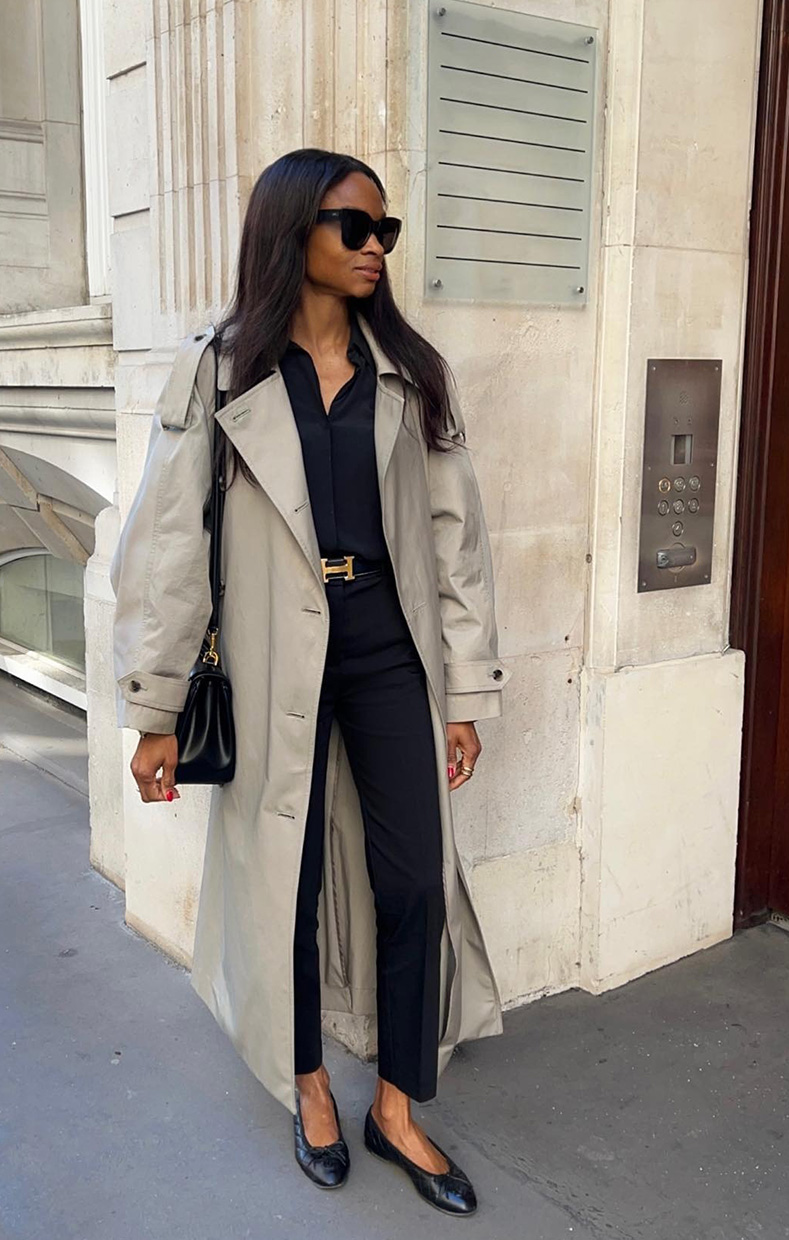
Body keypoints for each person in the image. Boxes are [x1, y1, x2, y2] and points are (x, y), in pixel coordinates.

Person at [109, 148, 511, 1216]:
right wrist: (154, 710)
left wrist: (466, 687)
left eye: (386, 230)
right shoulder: (225, 368)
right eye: (355, 226)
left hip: (386, 644)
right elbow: (167, 547)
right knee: (281, 878)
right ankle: (310, 1089)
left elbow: (455, 539)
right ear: (295, 232)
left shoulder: (410, 372)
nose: (377, 247)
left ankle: (397, 1105)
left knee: (415, 876)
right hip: (272, 654)